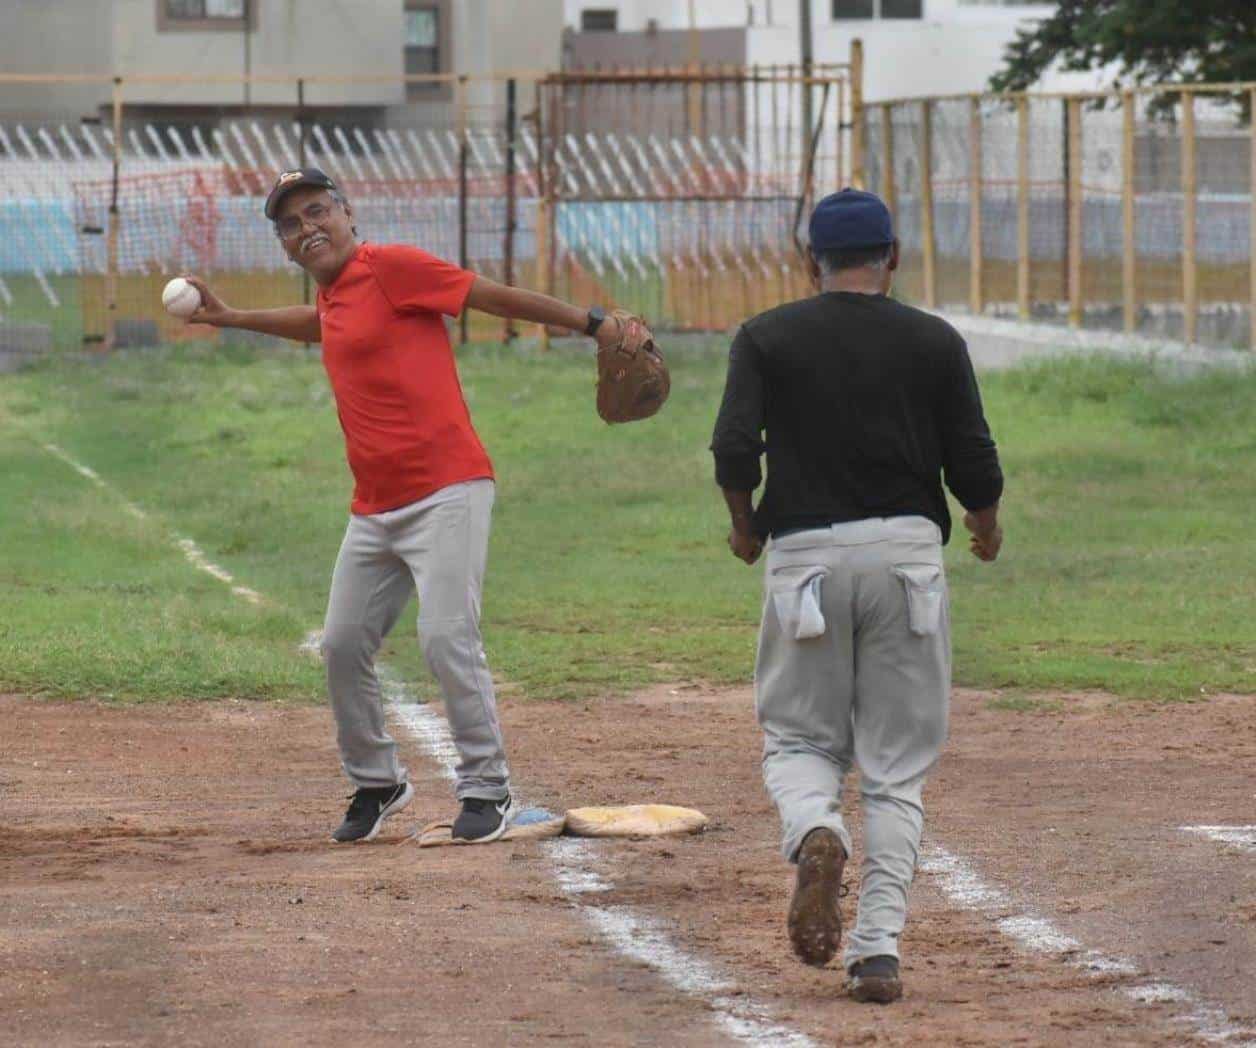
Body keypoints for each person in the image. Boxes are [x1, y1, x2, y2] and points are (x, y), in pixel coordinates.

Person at [184, 167, 632, 846]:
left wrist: (591, 322)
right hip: (375, 508)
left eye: (315, 212)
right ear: (283, 244)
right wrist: (232, 316)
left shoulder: (390, 267)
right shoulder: (336, 295)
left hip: (448, 487)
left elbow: (489, 295)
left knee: (446, 637)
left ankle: (488, 792)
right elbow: (320, 326)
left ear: (346, 212)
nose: (307, 229)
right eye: (290, 224)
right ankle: (378, 782)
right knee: (340, 645)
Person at [710, 188, 1004, 1003]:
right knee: (896, 770)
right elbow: (970, 453)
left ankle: (815, 829)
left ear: (811, 261)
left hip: (806, 555)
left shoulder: (767, 336)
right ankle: (876, 951)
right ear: (893, 257)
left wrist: (744, 525)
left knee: (800, 738)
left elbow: (736, 445)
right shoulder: (933, 339)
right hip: (907, 556)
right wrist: (984, 522)